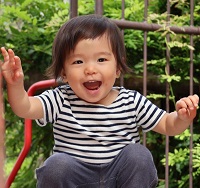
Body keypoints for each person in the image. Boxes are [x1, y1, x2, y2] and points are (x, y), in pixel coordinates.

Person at [0, 14, 199, 188]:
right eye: (78, 61)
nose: (90, 69)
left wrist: (181, 117)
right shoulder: (60, 99)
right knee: (57, 165)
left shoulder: (131, 101)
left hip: (120, 179)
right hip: (75, 181)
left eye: (101, 60)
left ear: (118, 68)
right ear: (64, 73)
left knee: (138, 155)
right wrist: (16, 85)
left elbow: (167, 124)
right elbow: (24, 107)